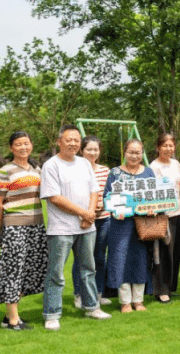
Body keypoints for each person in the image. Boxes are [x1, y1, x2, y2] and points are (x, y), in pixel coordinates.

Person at [40, 125, 111, 330]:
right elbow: (54, 197)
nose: (73, 143)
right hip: (61, 229)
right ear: (59, 141)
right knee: (56, 272)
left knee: (89, 269)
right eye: (68, 139)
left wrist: (89, 214)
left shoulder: (84, 164)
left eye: (76, 140)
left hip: (86, 227)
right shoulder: (51, 165)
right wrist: (84, 213)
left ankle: (92, 307)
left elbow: (94, 191)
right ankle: (52, 313)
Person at [0, 132, 48, 331]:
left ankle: (9, 315)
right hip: (14, 225)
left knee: (30, 270)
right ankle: (13, 319)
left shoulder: (36, 169)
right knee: (14, 270)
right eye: (18, 144)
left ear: (31, 145)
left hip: (37, 224)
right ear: (11, 148)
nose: (23, 147)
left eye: (26, 143)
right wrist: (1, 229)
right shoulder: (6, 171)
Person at [104, 139, 156, 312]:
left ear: (142, 153)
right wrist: (114, 210)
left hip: (142, 225)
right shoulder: (115, 173)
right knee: (120, 260)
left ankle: (138, 300)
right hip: (121, 225)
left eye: (138, 152)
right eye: (131, 152)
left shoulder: (148, 173)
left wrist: (153, 208)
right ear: (125, 153)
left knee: (140, 260)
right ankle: (125, 301)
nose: (134, 156)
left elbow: (155, 196)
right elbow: (107, 196)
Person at [149, 132, 180, 303]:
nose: (168, 148)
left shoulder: (176, 163)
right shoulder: (153, 166)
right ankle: (161, 289)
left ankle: (171, 286)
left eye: (171, 145)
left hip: (178, 212)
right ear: (158, 147)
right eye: (165, 145)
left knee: (175, 251)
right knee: (164, 252)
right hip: (163, 214)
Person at [76, 135, 112, 307]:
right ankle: (79, 294)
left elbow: (111, 193)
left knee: (99, 257)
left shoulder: (105, 170)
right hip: (83, 219)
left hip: (104, 219)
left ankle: (98, 292)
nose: (92, 152)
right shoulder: (75, 169)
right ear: (82, 150)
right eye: (89, 149)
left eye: (96, 149)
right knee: (82, 258)